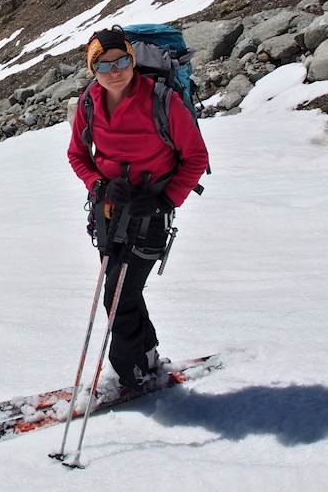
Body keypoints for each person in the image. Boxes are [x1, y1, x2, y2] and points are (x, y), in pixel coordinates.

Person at [66, 26, 209, 389]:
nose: (115, 71)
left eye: (122, 61)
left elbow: (195, 157)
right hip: (109, 212)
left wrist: (165, 199)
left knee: (119, 293)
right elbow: (78, 155)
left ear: (132, 60)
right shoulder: (89, 102)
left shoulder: (162, 100)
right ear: (92, 69)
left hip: (151, 214)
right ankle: (145, 355)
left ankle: (128, 371)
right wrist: (98, 185)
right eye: (103, 64)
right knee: (119, 288)